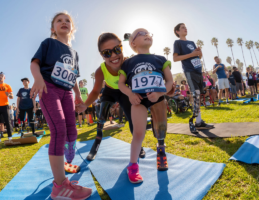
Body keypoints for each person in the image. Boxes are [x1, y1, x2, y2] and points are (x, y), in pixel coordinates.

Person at [30, 12, 92, 199]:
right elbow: (34, 63)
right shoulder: (48, 43)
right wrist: (38, 79)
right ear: (53, 28)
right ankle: (60, 186)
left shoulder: (75, 53)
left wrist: (76, 94)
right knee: (58, 129)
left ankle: (64, 163)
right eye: (59, 20)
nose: (64, 22)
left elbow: (73, 75)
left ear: (72, 28)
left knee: (71, 130)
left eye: (68, 21)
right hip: (49, 88)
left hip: (66, 92)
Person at [76, 32, 160, 161]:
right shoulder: (101, 70)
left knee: (133, 120)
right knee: (101, 118)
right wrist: (85, 104)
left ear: (122, 47)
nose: (114, 55)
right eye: (107, 53)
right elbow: (95, 91)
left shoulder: (130, 63)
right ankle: (96, 146)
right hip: (109, 92)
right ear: (101, 55)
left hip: (125, 93)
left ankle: (139, 146)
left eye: (117, 49)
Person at [118, 28, 173, 183]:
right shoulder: (127, 63)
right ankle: (133, 166)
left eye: (148, 33)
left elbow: (169, 81)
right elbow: (121, 84)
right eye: (141, 34)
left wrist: (160, 93)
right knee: (138, 133)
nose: (147, 35)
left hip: (158, 98)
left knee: (161, 128)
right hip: (138, 100)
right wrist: (130, 94)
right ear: (133, 43)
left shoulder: (161, 59)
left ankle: (161, 151)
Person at [173, 23, 214, 133]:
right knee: (195, 94)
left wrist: (199, 53)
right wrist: (192, 54)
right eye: (182, 27)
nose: (185, 28)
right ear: (177, 31)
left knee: (198, 96)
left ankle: (199, 122)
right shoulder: (177, 42)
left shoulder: (191, 42)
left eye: (185, 27)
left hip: (198, 71)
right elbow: (175, 58)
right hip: (189, 71)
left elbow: (198, 56)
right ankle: (194, 121)